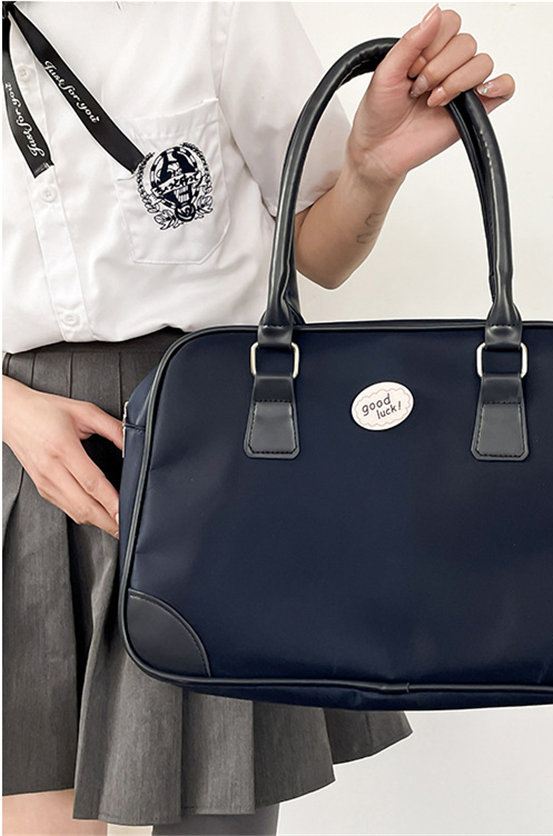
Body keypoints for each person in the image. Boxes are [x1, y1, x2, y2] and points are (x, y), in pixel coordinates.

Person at [1, 2, 515, 834]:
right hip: (24, 458)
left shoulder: (217, 11)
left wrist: (370, 171)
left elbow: (317, 252)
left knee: (222, 809)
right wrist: (10, 409)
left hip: (223, 441)